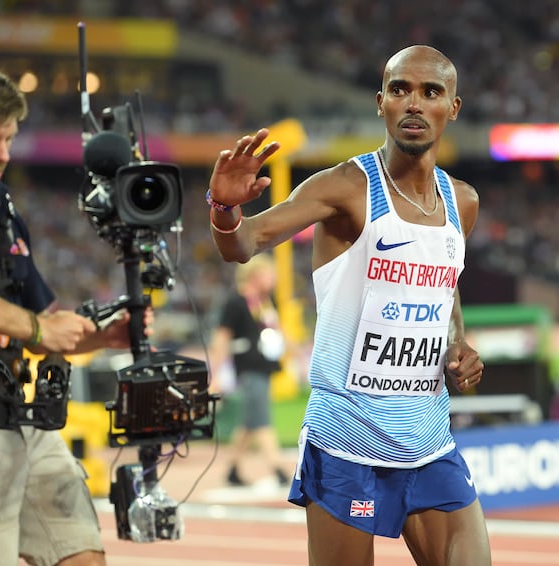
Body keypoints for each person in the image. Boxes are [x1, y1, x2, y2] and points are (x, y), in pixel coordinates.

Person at [207, 45, 492, 564]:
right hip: (348, 440)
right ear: (380, 102)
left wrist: (458, 345)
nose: (413, 103)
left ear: (452, 108)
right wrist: (226, 208)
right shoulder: (346, 187)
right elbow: (242, 245)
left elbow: (445, 285)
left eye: (431, 92)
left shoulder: (462, 203)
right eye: (400, 89)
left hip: (429, 439)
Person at [0, 65, 152, 565]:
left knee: (81, 552)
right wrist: (39, 327)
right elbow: (37, 326)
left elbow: (43, 323)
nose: (3, 154)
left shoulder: (2, 206)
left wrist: (102, 337)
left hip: (18, 407)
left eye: (10, 138)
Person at [208, 253, 291, 487]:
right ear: (254, 276)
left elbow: (276, 330)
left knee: (248, 422)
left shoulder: (266, 301)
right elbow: (221, 338)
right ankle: (278, 468)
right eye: (269, 274)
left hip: (264, 366)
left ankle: (232, 469)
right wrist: (214, 374)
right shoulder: (235, 302)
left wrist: (292, 350)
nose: (274, 279)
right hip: (248, 368)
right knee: (261, 419)